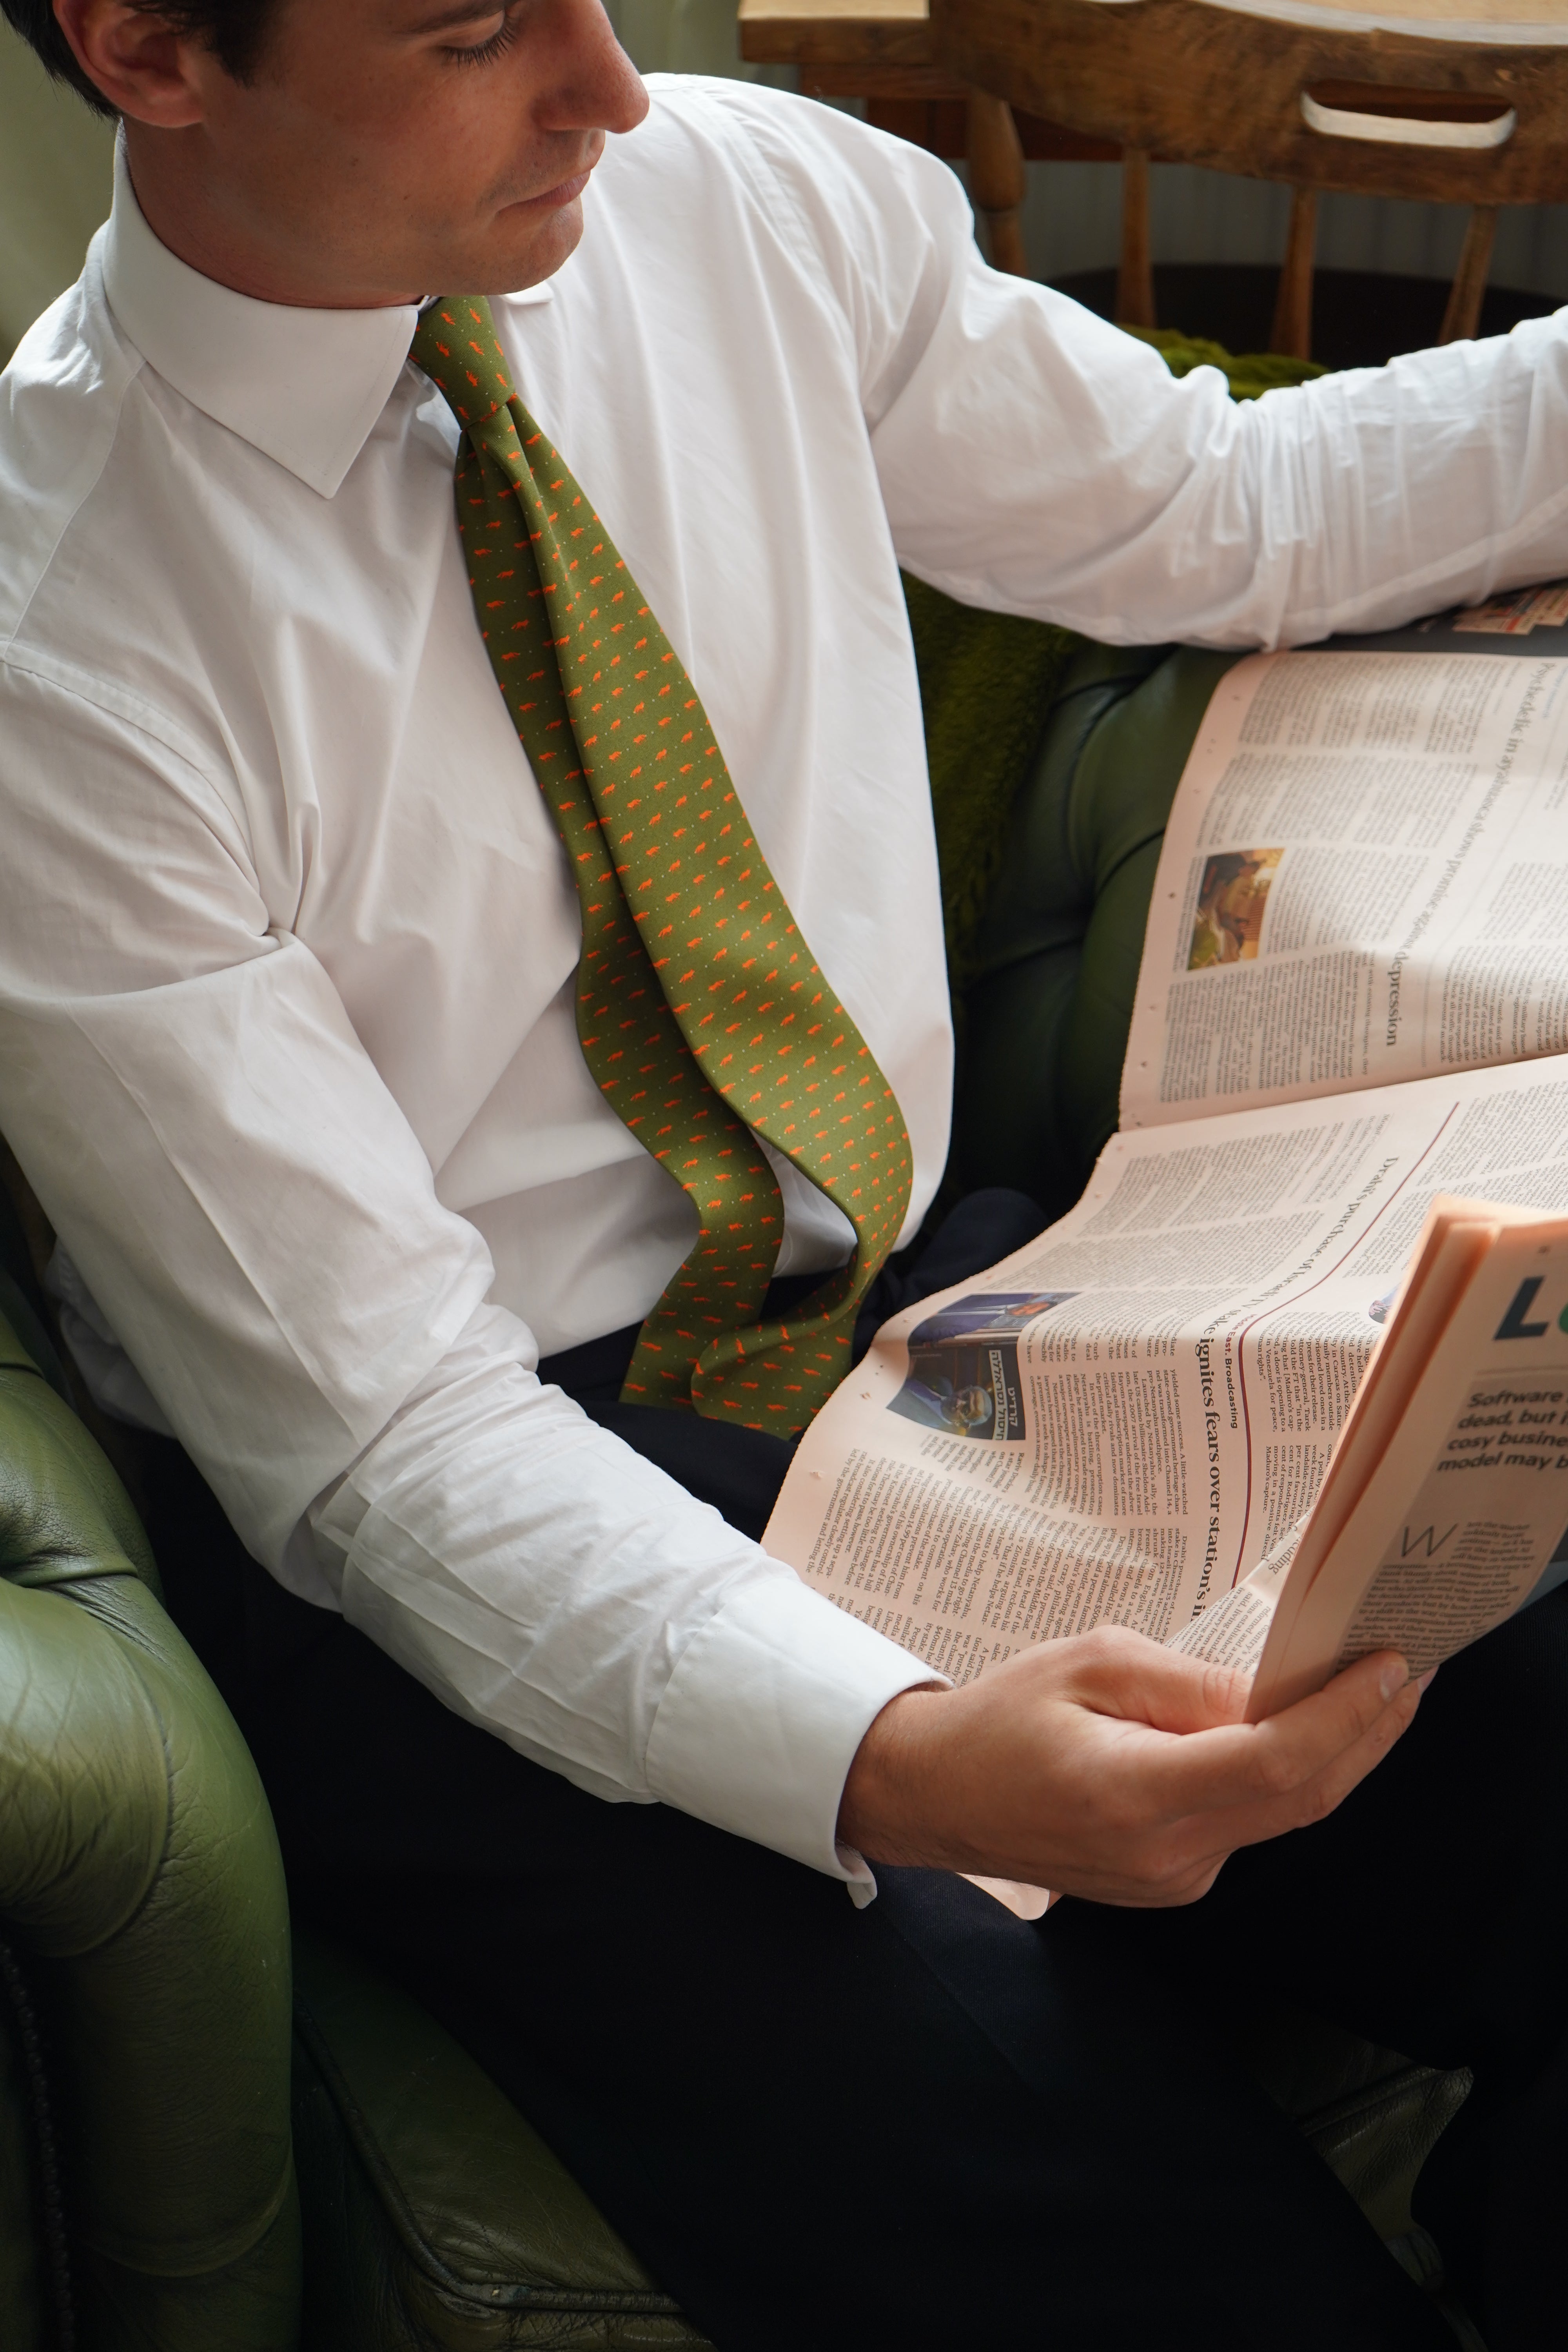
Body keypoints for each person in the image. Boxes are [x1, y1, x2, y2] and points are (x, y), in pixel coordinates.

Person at [1, 4, 1566, 2344]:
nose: (610, 84)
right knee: (1131, 2235)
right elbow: (388, 1441)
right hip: (457, 1520)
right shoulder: (54, 647)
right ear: (150, 49)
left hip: (933, 1323)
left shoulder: (743, 206)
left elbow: (1226, 508)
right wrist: (900, 1763)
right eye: (477, 27)